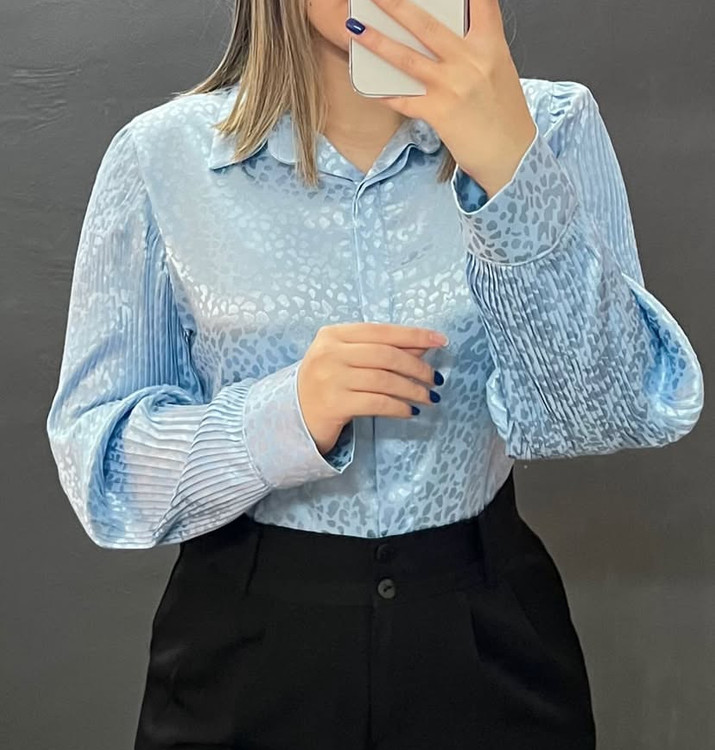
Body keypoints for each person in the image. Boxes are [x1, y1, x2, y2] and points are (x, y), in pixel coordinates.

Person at [46, 0, 704, 748]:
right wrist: (284, 415)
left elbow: (603, 412)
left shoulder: (549, 126)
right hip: (244, 650)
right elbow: (103, 472)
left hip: (486, 641)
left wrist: (507, 172)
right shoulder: (161, 157)